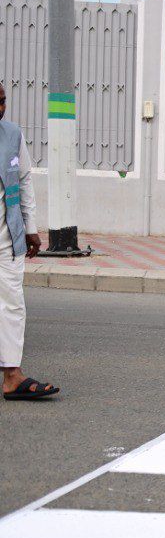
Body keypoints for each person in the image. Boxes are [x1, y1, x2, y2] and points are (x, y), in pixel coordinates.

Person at [0, 82, 57, 401]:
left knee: (12, 305)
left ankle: (12, 375)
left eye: (3, 101)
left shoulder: (12, 135)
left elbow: (22, 182)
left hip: (8, 236)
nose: (1, 108)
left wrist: (31, 227)